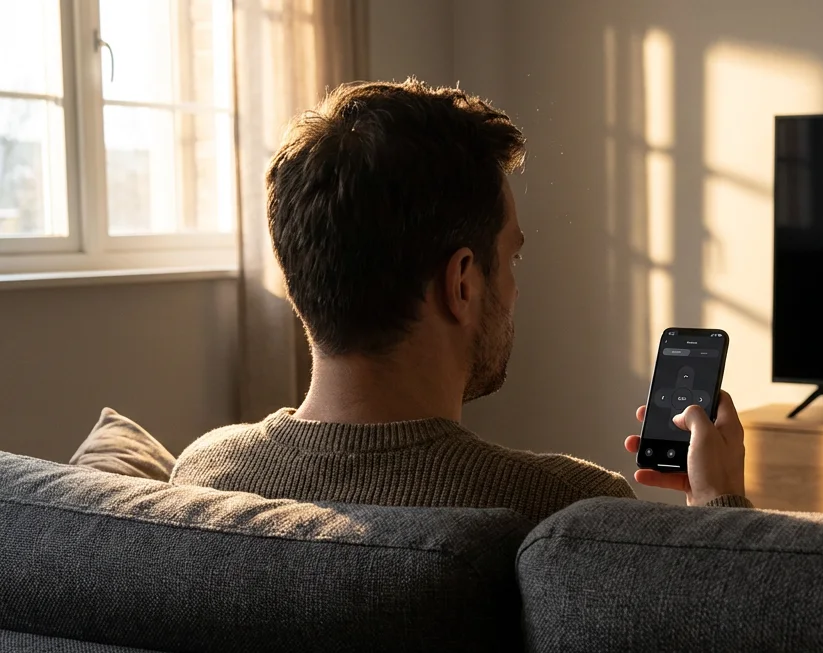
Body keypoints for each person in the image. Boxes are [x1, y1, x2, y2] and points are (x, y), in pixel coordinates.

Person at [171, 79, 751, 519]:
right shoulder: (564, 507)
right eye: (512, 258)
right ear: (463, 284)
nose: (516, 289)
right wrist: (719, 504)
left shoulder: (203, 474)